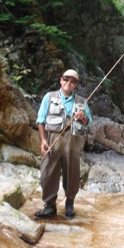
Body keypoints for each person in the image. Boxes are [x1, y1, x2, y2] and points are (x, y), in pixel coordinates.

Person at [34, 69, 92, 219]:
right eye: (66, 79)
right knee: (47, 173)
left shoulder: (81, 102)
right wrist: (43, 140)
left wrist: (82, 117)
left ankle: (70, 203)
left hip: (72, 142)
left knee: (72, 174)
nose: (68, 83)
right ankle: (50, 206)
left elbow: (88, 123)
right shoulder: (49, 97)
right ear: (61, 80)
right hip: (52, 140)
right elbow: (40, 121)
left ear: (76, 85)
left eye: (73, 81)